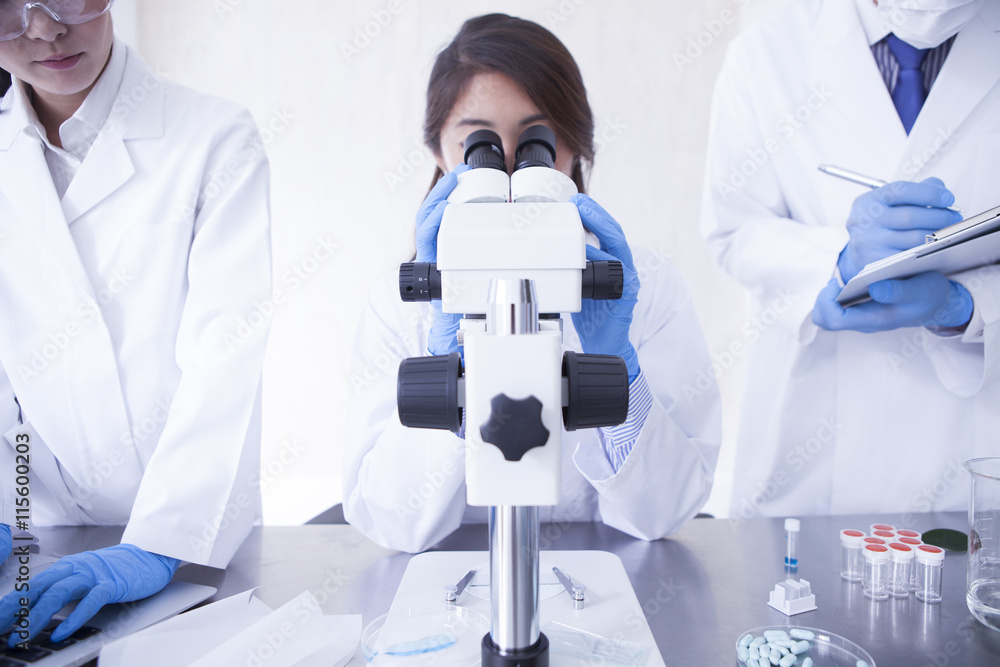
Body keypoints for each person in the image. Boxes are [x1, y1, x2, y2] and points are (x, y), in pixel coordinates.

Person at [344, 13, 722, 553]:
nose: (512, 167)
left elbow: (667, 513)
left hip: (603, 582)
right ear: (438, 153)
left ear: (575, 150)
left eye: (535, 141)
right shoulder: (397, 303)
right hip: (454, 586)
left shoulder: (646, 288)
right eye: (480, 144)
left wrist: (620, 371)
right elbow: (390, 522)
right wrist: (446, 372)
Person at [0, 0, 270, 645]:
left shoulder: (212, 135)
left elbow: (225, 349)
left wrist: (160, 541)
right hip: (39, 530)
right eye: (7, 7)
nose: (43, 28)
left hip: (189, 535)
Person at [702, 0, 999, 521]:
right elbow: (734, 231)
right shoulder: (767, 55)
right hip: (810, 467)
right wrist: (837, 258)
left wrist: (967, 306)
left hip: (966, 459)